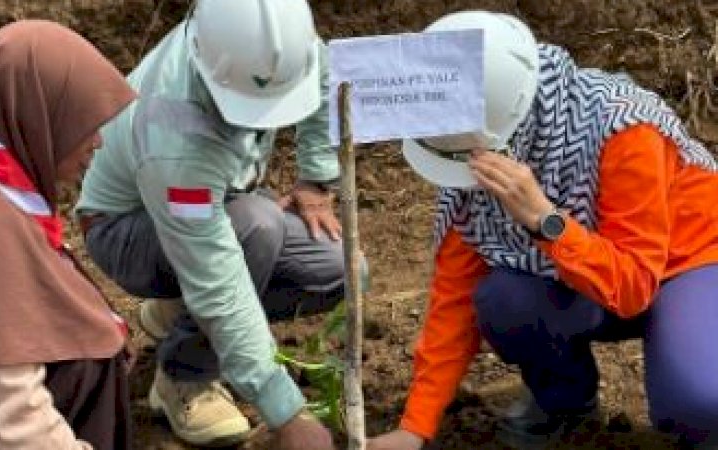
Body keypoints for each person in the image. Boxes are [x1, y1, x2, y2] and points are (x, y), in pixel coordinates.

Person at [368, 10, 718, 450]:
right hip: (589, 275)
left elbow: (634, 286)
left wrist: (544, 220)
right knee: (504, 299)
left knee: (703, 400)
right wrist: (415, 427)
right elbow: (454, 296)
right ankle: (565, 401)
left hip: (688, 264)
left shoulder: (623, 127)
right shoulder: (474, 152)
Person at [75, 0, 356, 448]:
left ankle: (175, 311)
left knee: (342, 272)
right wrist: (287, 413)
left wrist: (316, 177)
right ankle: (183, 378)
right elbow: (217, 279)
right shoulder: (173, 130)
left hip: (224, 204)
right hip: (124, 228)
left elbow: (323, 75)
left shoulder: (276, 42)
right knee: (256, 227)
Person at [0, 20, 136, 450]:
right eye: (81, 124)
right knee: (87, 362)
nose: (97, 143)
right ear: (38, 116)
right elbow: (7, 401)